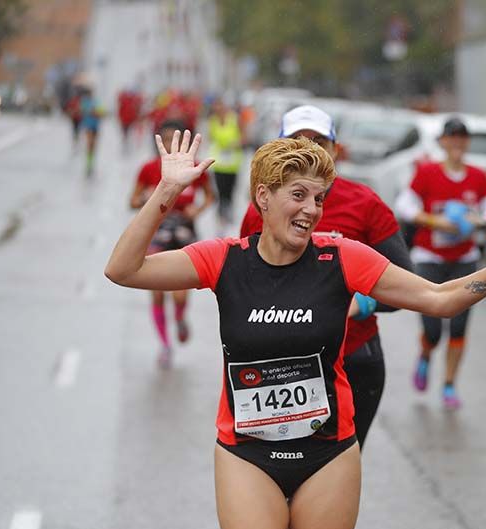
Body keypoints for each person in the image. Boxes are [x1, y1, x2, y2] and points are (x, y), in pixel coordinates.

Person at [105, 130, 486, 529]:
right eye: (298, 195)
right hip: (248, 455)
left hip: (329, 454)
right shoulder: (224, 260)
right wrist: (167, 191)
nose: (312, 210)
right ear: (263, 197)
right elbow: (123, 269)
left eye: (319, 198)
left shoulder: (342, 258)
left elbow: (438, 299)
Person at [240, 104, 413, 448]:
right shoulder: (260, 208)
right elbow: (244, 286)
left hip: (353, 358)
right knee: (278, 474)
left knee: (338, 477)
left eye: (319, 141)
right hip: (283, 365)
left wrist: (360, 305)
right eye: (296, 141)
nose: (308, 150)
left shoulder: (365, 203)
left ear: (336, 150)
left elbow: (406, 283)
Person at [394, 116, 486, 409]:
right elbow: (404, 205)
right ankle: (426, 354)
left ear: (467, 143)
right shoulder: (427, 173)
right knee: (432, 328)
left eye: (462, 138)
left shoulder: (478, 177)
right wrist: (433, 220)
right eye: (451, 138)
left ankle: (450, 385)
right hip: (429, 259)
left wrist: (478, 220)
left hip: (464, 260)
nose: (456, 143)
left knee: (459, 327)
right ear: (442, 142)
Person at [129, 120, 214, 368]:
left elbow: (210, 197)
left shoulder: (196, 169)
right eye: (165, 140)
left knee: (178, 295)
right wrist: (146, 198)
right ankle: (165, 345)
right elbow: (131, 201)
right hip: (156, 233)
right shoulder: (148, 169)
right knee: (156, 293)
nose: (169, 145)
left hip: (183, 232)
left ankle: (180, 316)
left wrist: (196, 211)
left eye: (174, 140)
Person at [208, 98, 245, 230]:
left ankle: (228, 214)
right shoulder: (212, 121)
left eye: (220, 106)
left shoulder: (235, 119)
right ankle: (221, 217)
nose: (218, 109)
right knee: (220, 190)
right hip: (218, 162)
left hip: (232, 163)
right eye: (215, 107)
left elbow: (244, 137)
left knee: (230, 191)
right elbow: (211, 138)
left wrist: (236, 143)